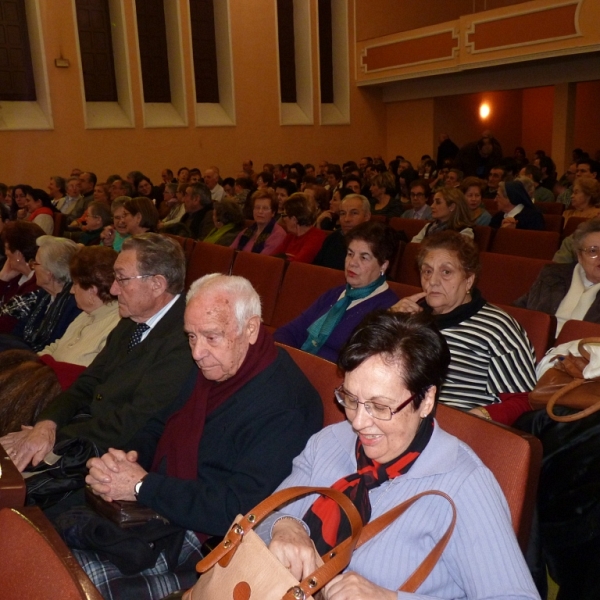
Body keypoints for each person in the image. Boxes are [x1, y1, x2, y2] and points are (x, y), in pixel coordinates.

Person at [67, 274, 323, 598]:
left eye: (211, 337)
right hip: (159, 507)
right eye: (191, 336)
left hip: (207, 545)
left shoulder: (285, 405)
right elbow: (159, 424)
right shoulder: (216, 365)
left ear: (251, 329)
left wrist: (141, 485)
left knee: (76, 581)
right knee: (46, 538)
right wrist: (125, 460)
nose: (198, 352)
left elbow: (239, 509)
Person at [258, 311, 539, 600]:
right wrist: (285, 526)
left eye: (380, 407)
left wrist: (389, 598)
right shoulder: (329, 442)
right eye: (351, 399)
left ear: (426, 399)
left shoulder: (464, 485)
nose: (357, 422)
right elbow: (265, 517)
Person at [0, 234, 196, 477]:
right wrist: (46, 424)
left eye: (122, 279)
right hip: (88, 432)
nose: (113, 289)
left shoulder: (186, 337)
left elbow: (132, 422)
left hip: (120, 458)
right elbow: (88, 382)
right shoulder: (133, 319)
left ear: (157, 284)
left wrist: (53, 437)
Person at [392, 231, 536, 415]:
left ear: (468, 280)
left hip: (455, 426)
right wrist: (388, 321)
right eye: (427, 271)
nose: (433, 281)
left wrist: (481, 416)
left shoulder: (497, 327)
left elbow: (523, 400)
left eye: (446, 272)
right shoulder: (410, 316)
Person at [274, 221, 398, 362]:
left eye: (364, 257)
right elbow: (290, 331)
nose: (352, 262)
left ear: (383, 265)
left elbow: (355, 366)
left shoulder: (388, 309)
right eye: (350, 254)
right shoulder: (335, 294)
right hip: (298, 366)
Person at [39, 245, 120, 367]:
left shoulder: (116, 327)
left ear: (92, 291)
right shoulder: (85, 314)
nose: (71, 291)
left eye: (75, 284)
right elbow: (55, 346)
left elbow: (84, 373)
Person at [515, 219, 600, 335]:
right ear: (579, 256)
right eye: (593, 251)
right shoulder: (552, 275)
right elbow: (520, 308)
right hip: (536, 341)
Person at [0, 235, 80, 352]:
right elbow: (18, 330)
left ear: (49, 273)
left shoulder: (73, 305)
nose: (33, 267)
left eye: (36, 263)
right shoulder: (44, 295)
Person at [313, 194, 372, 270]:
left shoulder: (375, 244)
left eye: (354, 213)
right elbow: (315, 269)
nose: (347, 219)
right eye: (343, 213)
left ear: (367, 217)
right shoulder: (332, 239)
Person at [0, 221, 44, 324]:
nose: (6, 253)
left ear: (18, 254)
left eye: (7, 248)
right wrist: (3, 278)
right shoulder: (16, 276)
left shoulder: (35, 286)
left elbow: (5, 324)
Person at [230, 189, 286, 255]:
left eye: (265, 208)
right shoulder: (247, 231)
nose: (260, 211)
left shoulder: (278, 234)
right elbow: (230, 252)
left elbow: (260, 261)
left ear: (273, 212)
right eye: (257, 207)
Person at [275, 193, 327, 263]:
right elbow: (271, 258)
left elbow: (297, 265)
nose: (283, 219)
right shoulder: (291, 236)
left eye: (284, 215)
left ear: (294, 219)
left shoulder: (316, 237)